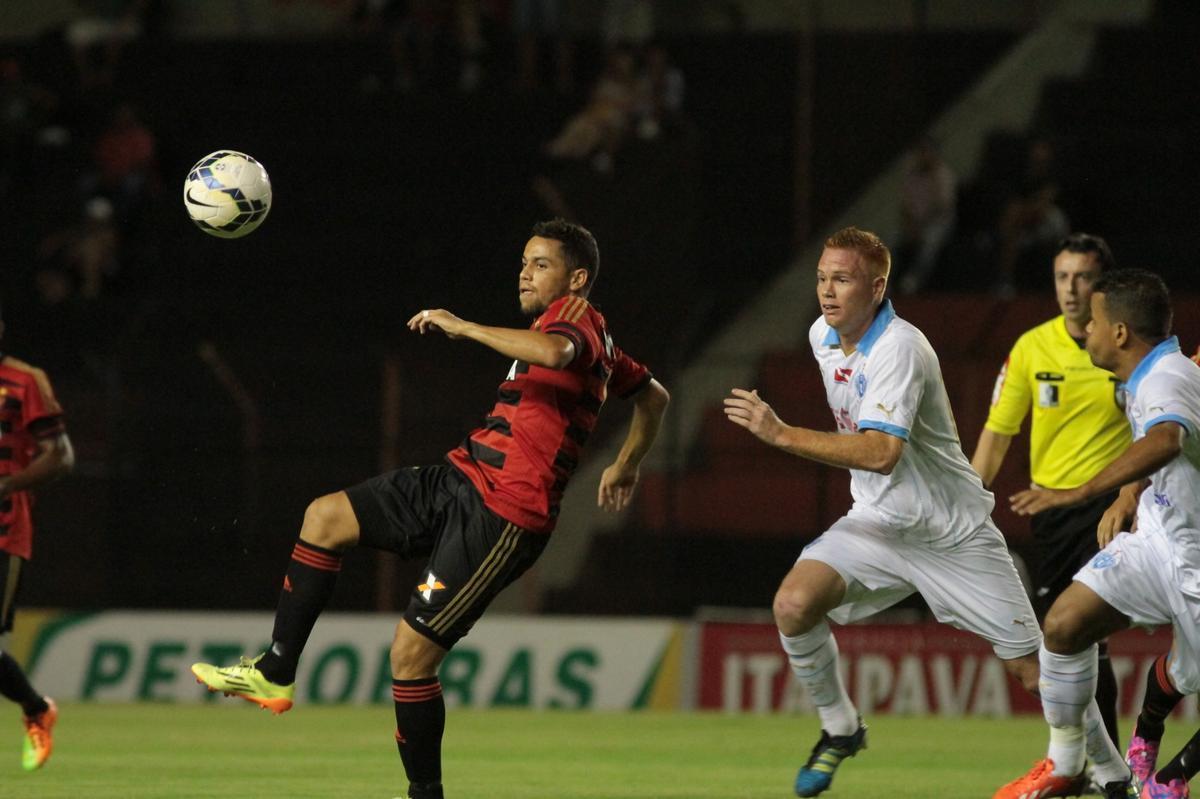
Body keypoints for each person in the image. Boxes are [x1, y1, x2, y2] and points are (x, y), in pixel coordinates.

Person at [191, 219, 670, 799]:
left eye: (540, 264)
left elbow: (554, 351)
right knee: (325, 517)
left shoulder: (575, 318)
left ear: (577, 278)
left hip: (504, 514)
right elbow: (654, 396)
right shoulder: (594, 340)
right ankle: (275, 671)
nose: (524, 273)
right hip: (460, 479)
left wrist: (462, 326)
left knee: (410, 657)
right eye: (523, 261)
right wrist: (628, 462)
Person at [723, 227, 1132, 798]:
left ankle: (1114, 777)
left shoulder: (901, 348)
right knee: (793, 604)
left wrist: (782, 433)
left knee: (1034, 673)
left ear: (877, 287)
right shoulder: (821, 335)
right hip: (877, 524)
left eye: (842, 279)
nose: (827, 291)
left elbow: (881, 452)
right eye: (821, 278)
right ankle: (840, 728)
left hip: (952, 534)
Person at [994, 269, 1196, 799]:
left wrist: (1080, 492)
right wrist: (1129, 496)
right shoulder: (1148, 378)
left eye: (1095, 322)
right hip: (1156, 540)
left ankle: (1170, 777)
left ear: (1121, 333)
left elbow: (1167, 441)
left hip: (1197, 562)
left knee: (1188, 676)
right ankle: (1070, 764)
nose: (1085, 331)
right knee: (1064, 625)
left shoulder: (1167, 378)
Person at [969, 233, 1127, 754]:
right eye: (1062, 277)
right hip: (1051, 515)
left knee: (1085, 635)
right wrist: (966, 503)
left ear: (1103, 284)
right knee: (1063, 644)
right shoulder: (1031, 348)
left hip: (1109, 511)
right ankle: (1088, 761)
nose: (1071, 288)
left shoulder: (1124, 347)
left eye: (1083, 277)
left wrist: (1128, 497)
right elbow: (998, 433)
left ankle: (1099, 766)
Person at [0, 296, 75, 771]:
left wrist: (6, 485)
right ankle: (36, 708)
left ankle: (36, 709)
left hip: (4, 528)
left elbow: (61, 455)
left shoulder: (24, 380)